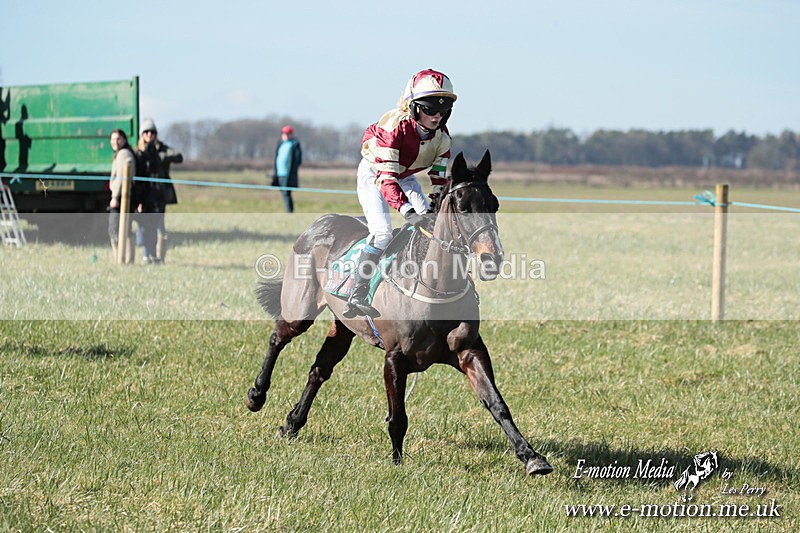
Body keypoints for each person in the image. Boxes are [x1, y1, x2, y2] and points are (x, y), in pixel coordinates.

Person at [343, 68, 456, 318]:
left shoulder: (443, 138)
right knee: (383, 233)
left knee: (430, 226)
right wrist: (407, 211)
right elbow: (386, 180)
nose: (436, 117)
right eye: (429, 109)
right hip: (376, 175)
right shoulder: (393, 127)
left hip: (404, 176)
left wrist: (433, 205)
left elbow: (438, 177)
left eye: (442, 110)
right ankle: (357, 291)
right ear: (414, 107)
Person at [136, 118, 182, 263]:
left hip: (160, 195)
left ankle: (159, 257)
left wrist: (159, 156)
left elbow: (178, 156)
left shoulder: (162, 149)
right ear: (142, 134)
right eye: (146, 132)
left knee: (159, 226)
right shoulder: (139, 152)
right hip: (144, 194)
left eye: (152, 132)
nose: (149, 134)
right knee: (144, 226)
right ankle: (146, 255)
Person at [108, 128, 136, 264]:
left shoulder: (123, 154)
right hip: (123, 196)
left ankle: (121, 259)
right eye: (112, 139)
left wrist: (114, 197)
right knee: (125, 228)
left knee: (115, 229)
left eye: (118, 139)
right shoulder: (121, 153)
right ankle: (126, 260)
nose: (115, 142)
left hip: (121, 198)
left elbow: (121, 177)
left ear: (124, 140)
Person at [271, 125, 302, 213]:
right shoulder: (280, 144)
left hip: (288, 174)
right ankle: (288, 210)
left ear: (291, 134)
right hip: (279, 173)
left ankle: (289, 211)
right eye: (284, 134)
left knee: (286, 193)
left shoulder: (295, 144)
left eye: (288, 134)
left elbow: (297, 160)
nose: (286, 136)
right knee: (283, 192)